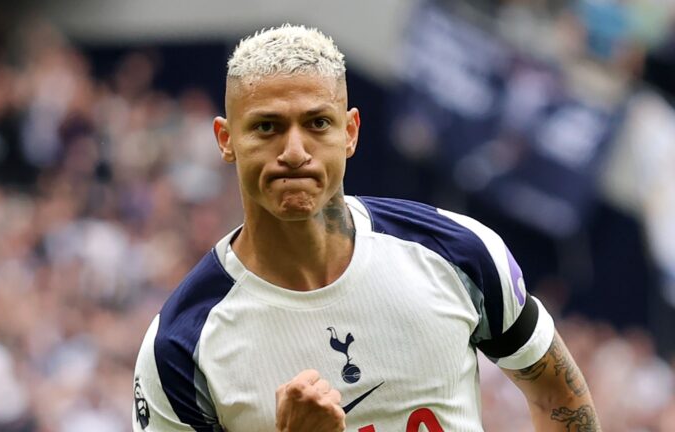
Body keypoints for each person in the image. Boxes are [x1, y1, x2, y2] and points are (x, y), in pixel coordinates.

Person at [132, 24, 601, 432]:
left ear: (350, 132)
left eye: (317, 123)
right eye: (267, 127)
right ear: (226, 139)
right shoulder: (181, 346)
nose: (294, 151)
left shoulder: (456, 252)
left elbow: (557, 394)